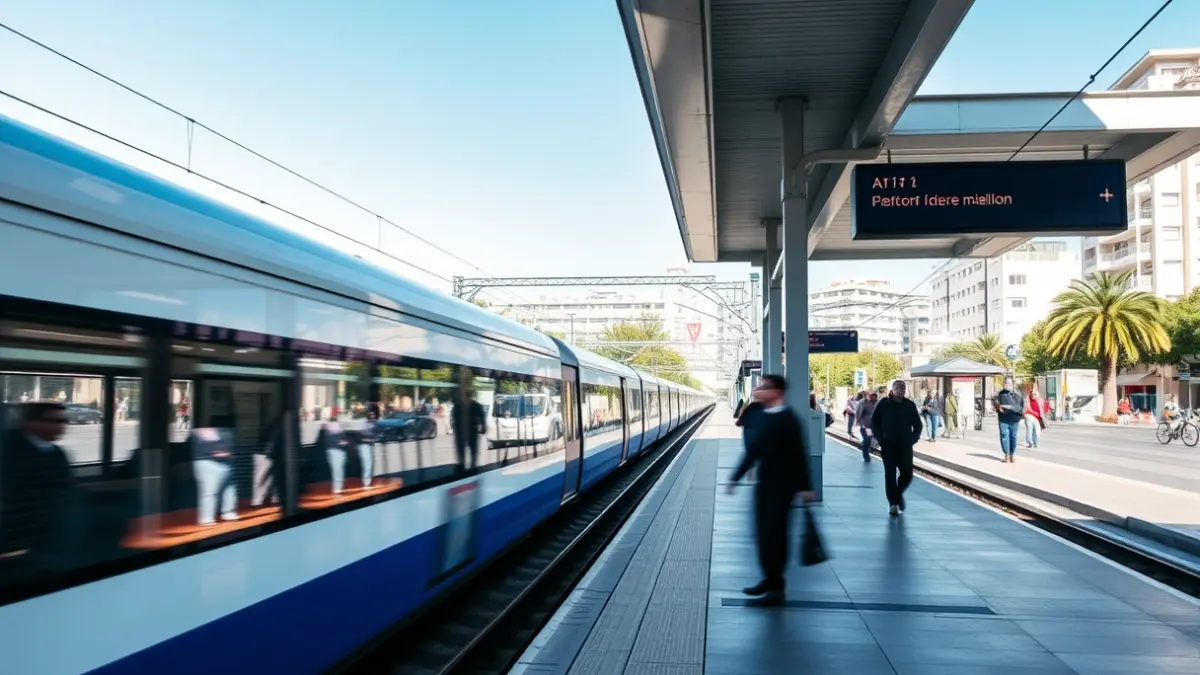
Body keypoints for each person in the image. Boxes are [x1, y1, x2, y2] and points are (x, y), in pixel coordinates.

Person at [725, 375, 814, 605]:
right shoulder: (763, 416)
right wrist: (735, 477)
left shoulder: (789, 418)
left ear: (776, 392)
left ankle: (776, 586)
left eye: (763, 387)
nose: (757, 390)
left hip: (783, 487)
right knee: (762, 534)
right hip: (764, 485)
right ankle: (769, 579)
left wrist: (805, 487)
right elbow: (754, 450)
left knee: (776, 535)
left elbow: (799, 454)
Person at [870, 380, 922, 517]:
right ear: (892, 390)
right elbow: (874, 421)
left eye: (903, 388)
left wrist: (913, 439)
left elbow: (918, 425)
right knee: (890, 475)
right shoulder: (883, 404)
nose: (901, 391)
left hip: (905, 446)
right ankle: (893, 503)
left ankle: (897, 496)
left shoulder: (909, 406)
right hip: (888, 445)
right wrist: (880, 438)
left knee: (907, 474)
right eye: (898, 388)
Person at [993, 377, 1024, 463]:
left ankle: (1012, 454)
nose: (1007, 385)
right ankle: (1006, 454)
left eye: (1009, 383)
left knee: (1013, 436)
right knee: (1004, 436)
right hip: (1003, 418)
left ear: (1013, 384)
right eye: (1006, 383)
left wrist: (1007, 407)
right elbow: (995, 402)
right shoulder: (1000, 393)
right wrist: (998, 407)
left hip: (1014, 419)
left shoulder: (1018, 394)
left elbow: (1019, 408)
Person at [854, 391, 878, 462]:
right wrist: (858, 421)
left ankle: (866, 453)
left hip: (872, 425)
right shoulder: (863, 402)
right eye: (871, 395)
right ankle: (866, 456)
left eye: (874, 396)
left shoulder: (877, 402)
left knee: (869, 440)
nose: (873, 397)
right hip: (865, 425)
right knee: (867, 439)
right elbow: (859, 412)